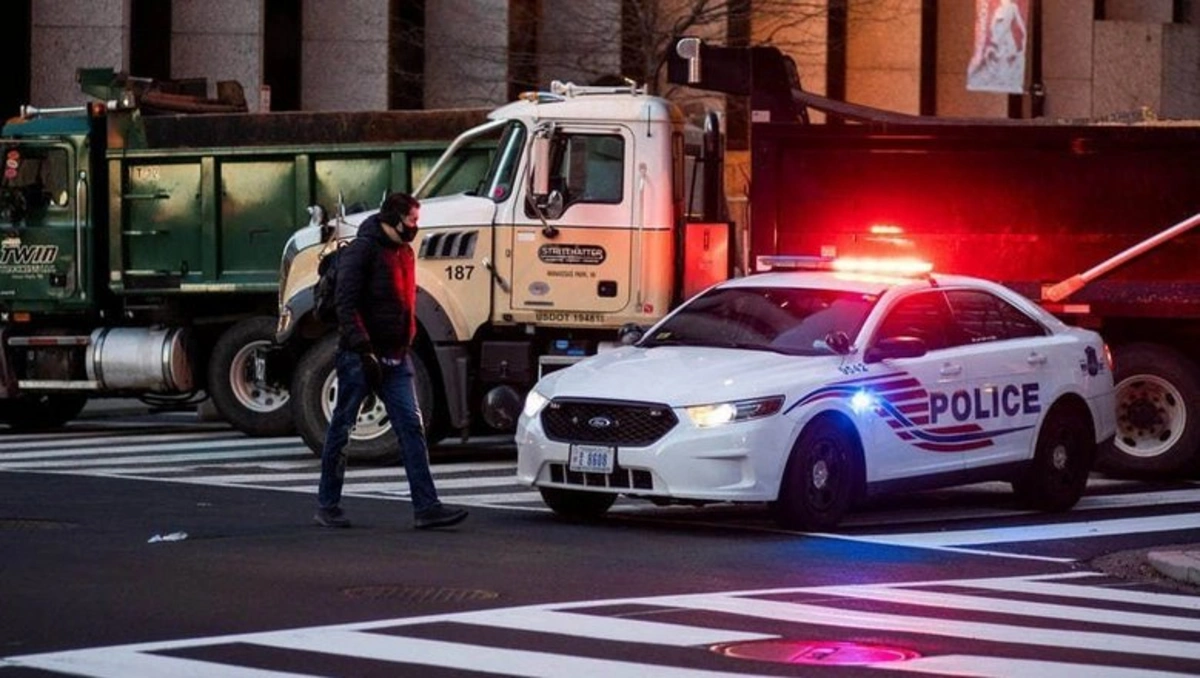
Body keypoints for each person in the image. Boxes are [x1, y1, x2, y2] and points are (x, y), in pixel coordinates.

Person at [314, 192, 468, 530]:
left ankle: (427, 508)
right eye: (412, 220)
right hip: (360, 357)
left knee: (412, 429)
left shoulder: (405, 252)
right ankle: (327, 504)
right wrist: (363, 348)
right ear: (395, 218)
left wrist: (407, 337)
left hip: (397, 357)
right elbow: (346, 303)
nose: (416, 226)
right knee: (342, 427)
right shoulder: (363, 250)